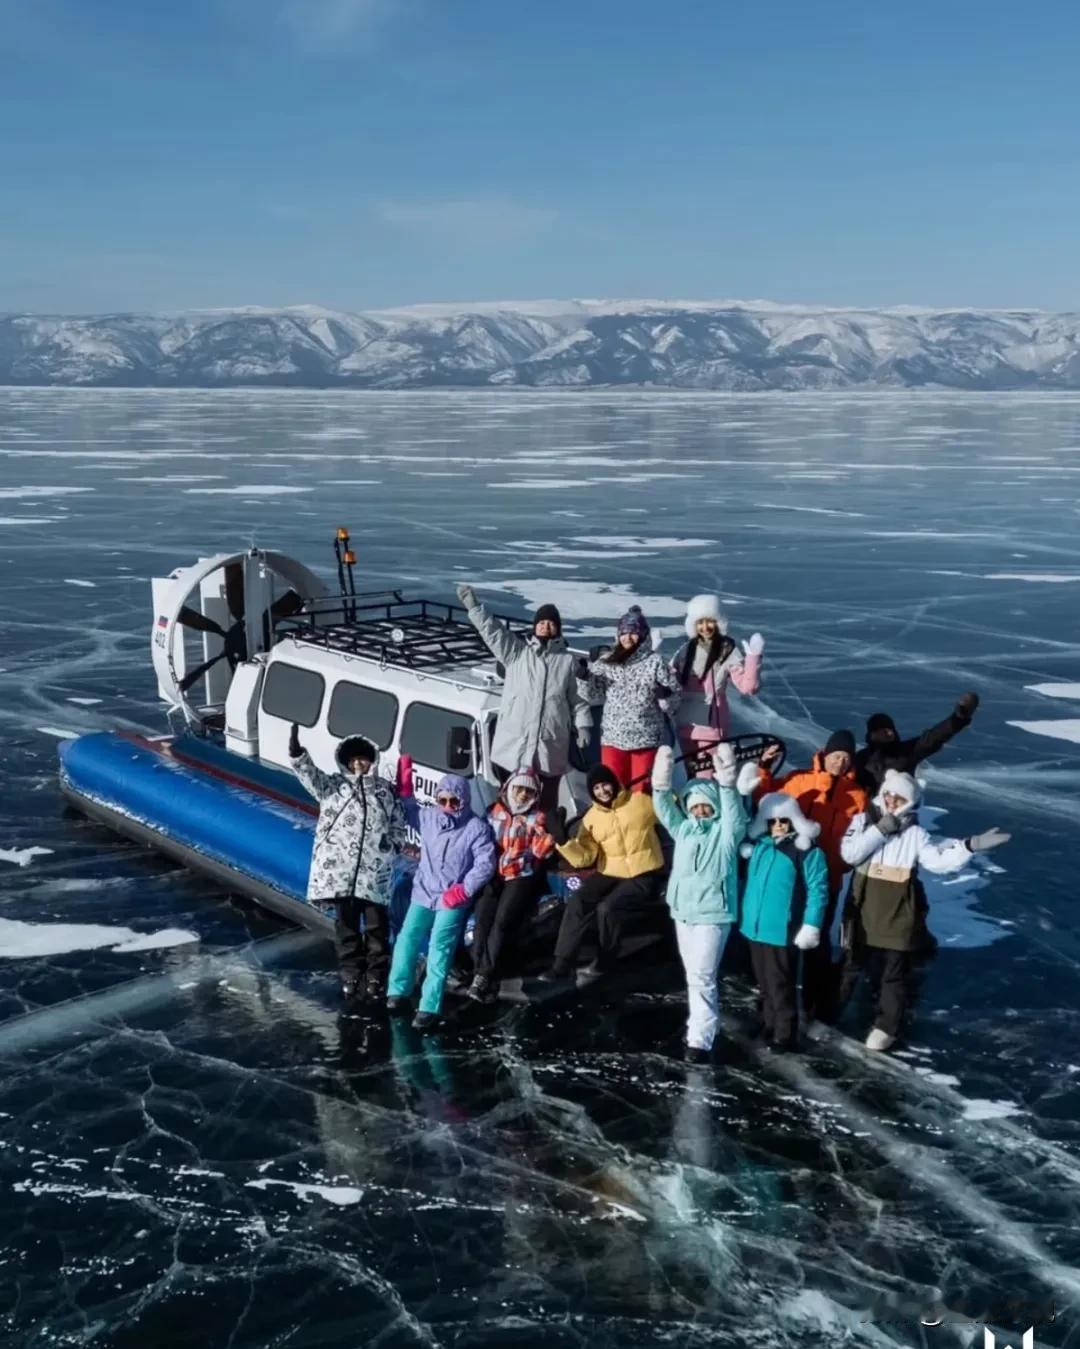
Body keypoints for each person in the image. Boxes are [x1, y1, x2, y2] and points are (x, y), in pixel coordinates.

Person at [838, 769, 1009, 1049]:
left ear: (909, 802)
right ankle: (828, 1010)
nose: (892, 802)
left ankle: (886, 1027)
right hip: (863, 905)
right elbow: (850, 853)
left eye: (898, 798)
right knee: (850, 964)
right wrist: (881, 830)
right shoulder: (862, 821)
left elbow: (938, 861)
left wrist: (969, 846)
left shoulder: (916, 834)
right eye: (888, 795)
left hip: (896, 909)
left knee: (893, 972)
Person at [651, 742, 758, 1063]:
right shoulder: (683, 830)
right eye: (694, 805)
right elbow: (663, 807)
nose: (699, 810)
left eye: (704, 805)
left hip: (713, 914)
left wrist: (726, 780)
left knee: (702, 977)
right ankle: (696, 1029)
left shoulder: (726, 834)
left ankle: (700, 1041)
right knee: (693, 975)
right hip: (683, 913)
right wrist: (662, 778)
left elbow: (735, 815)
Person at [289, 724, 410, 1004]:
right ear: (345, 761)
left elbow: (398, 825)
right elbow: (309, 776)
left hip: (374, 875)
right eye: (353, 759)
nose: (358, 764)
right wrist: (298, 754)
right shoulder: (333, 787)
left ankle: (376, 975)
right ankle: (351, 973)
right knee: (346, 927)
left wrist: (391, 846)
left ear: (371, 760)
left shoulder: (384, 792)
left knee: (377, 927)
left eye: (363, 759)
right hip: (340, 874)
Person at [755, 729, 868, 1024]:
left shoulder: (857, 796)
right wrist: (764, 768)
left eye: (846, 757)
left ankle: (816, 1006)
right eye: (836, 756)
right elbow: (764, 801)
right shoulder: (799, 780)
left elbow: (857, 839)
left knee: (815, 944)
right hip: (788, 882)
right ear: (824, 754)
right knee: (783, 944)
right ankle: (775, 1000)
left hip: (825, 880)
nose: (840, 762)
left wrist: (842, 865)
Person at [457, 584, 591, 811]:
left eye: (551, 623)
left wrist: (584, 724)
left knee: (546, 806)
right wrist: (475, 607)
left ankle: (542, 845)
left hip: (549, 749)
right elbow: (494, 632)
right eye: (541, 623)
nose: (546, 627)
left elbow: (577, 700)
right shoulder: (517, 653)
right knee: (511, 803)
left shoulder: (567, 662)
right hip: (515, 748)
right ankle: (508, 843)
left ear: (558, 628)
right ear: (534, 627)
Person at [387, 759, 497, 1031]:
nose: (447, 806)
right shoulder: (429, 818)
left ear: (464, 801)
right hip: (424, 891)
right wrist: (404, 789)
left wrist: (464, 888)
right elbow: (408, 810)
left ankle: (429, 1007)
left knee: (440, 947)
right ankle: (397, 991)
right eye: (443, 800)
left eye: (453, 802)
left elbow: (485, 863)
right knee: (407, 938)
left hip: (452, 896)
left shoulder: (476, 828)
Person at [542, 763, 665, 979]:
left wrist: (663, 787)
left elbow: (669, 811)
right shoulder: (591, 818)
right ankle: (563, 963)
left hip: (643, 871)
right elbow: (585, 858)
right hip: (610, 871)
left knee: (607, 908)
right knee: (579, 900)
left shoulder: (640, 802)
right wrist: (563, 840)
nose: (602, 792)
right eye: (596, 789)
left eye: (605, 785)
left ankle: (606, 960)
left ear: (614, 783)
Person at [738, 793, 830, 1052]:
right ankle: (768, 1023)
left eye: (783, 820)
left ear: (793, 820)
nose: (778, 825)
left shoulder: (805, 851)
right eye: (772, 820)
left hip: (782, 929)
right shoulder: (760, 847)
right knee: (764, 984)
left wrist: (811, 924)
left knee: (781, 984)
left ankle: (785, 1033)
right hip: (755, 929)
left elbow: (818, 890)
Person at [466, 768, 556, 1003]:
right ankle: (480, 971)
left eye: (529, 790)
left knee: (503, 921)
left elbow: (538, 852)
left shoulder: (536, 818)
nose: (523, 795)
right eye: (519, 789)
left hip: (520, 874)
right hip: (493, 873)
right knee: (482, 919)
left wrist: (550, 837)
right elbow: (480, 842)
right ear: (509, 788)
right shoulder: (493, 812)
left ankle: (484, 976)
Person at [587, 605, 681, 791]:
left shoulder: (654, 662)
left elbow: (674, 701)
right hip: (613, 738)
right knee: (613, 790)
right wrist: (584, 678)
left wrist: (666, 696)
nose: (627, 638)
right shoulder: (608, 660)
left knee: (642, 791)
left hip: (645, 738)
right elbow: (592, 694)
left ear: (643, 634)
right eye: (623, 633)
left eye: (633, 633)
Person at [670, 594, 764, 766]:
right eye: (700, 622)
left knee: (707, 773)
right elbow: (669, 681)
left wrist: (753, 659)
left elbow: (747, 687)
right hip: (685, 722)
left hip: (711, 725)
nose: (705, 627)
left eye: (710, 621)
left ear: (719, 621)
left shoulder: (727, 651)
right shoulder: (685, 650)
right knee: (688, 772)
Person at [854, 692, 980, 794]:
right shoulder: (861, 758)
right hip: (865, 814)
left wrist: (957, 720)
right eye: (883, 730)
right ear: (872, 734)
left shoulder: (906, 750)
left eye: (891, 729)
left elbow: (934, 737)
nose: (889, 733)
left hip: (900, 812)